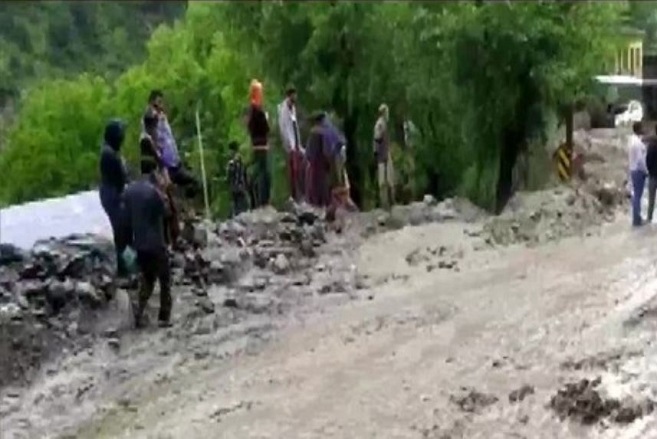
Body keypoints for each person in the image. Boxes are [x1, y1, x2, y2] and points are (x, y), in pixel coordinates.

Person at [122, 160, 172, 328]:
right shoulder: (154, 193)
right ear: (154, 172)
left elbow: (126, 217)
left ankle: (139, 312)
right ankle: (164, 317)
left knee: (148, 279)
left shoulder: (129, 192)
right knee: (165, 279)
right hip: (156, 243)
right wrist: (164, 192)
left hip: (139, 245)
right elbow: (166, 213)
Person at [146, 90, 199, 198]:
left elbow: (169, 140)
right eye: (158, 103)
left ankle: (187, 205)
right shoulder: (150, 121)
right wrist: (162, 171)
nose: (160, 106)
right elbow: (155, 146)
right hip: (165, 168)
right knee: (168, 195)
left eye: (161, 102)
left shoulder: (163, 118)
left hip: (175, 164)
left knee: (194, 182)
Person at [140, 110, 180, 246]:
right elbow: (158, 158)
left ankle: (173, 239)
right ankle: (167, 241)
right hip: (153, 178)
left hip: (158, 175)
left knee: (170, 208)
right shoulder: (146, 139)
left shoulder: (153, 138)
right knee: (164, 208)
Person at [99, 119, 129, 277]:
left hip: (109, 192)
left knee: (119, 230)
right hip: (113, 195)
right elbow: (121, 178)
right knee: (120, 231)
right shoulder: (111, 155)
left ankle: (122, 265)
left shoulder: (108, 151)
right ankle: (121, 268)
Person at [245, 79, 271, 207]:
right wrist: (266, 118)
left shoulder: (251, 110)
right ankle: (262, 199)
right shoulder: (258, 111)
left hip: (256, 142)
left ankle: (260, 198)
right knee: (263, 172)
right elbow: (266, 128)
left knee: (262, 170)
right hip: (261, 143)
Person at [278, 86, 304, 203]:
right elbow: (284, 128)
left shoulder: (293, 108)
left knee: (298, 170)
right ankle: (293, 196)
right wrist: (289, 145)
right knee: (293, 171)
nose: (296, 97)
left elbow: (295, 127)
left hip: (296, 145)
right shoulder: (283, 110)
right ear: (289, 95)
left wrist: (299, 144)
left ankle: (298, 195)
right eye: (294, 95)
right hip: (290, 146)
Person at [305, 111, 330, 207]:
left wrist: (308, 158)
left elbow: (309, 149)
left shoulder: (313, 132)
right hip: (322, 163)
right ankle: (323, 202)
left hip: (314, 162)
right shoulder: (325, 132)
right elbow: (327, 150)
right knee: (323, 183)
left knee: (313, 183)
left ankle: (314, 203)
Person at [373, 103, 395, 209]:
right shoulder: (380, 124)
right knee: (383, 180)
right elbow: (377, 138)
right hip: (382, 155)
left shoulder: (384, 124)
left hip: (385, 153)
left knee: (389, 178)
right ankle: (385, 203)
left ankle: (389, 202)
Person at [629, 121, 648, 226]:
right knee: (638, 196)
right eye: (642, 128)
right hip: (638, 170)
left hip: (633, 169)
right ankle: (637, 219)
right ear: (639, 129)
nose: (643, 129)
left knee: (636, 195)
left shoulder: (632, 140)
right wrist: (645, 171)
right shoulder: (637, 143)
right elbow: (641, 160)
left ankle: (637, 217)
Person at [226, 141, 250, 217]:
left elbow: (229, 176)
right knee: (242, 207)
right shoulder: (242, 161)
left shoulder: (231, 163)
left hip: (235, 188)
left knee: (237, 207)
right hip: (242, 187)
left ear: (232, 150)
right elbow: (245, 174)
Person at [646, 125, 657, 222]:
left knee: (651, 199)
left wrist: (649, 170)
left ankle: (649, 218)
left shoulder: (652, 144)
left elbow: (648, 160)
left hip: (653, 175)